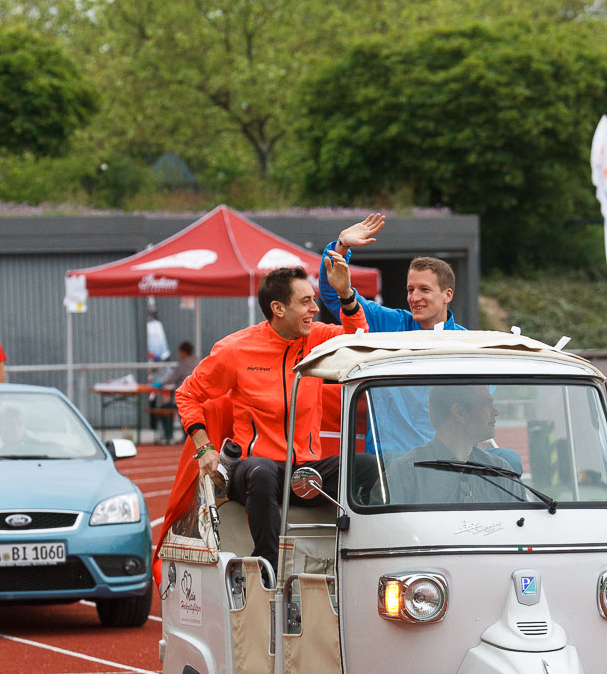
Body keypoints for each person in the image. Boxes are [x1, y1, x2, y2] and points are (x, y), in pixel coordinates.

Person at [176, 262, 377, 574]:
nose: (315, 308)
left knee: (369, 466)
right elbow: (187, 394)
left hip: (304, 471)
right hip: (253, 470)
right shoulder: (236, 349)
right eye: (306, 301)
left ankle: (365, 557)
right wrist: (204, 448)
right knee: (263, 470)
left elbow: (359, 338)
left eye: (314, 299)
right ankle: (267, 568)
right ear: (278, 308)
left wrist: (346, 294)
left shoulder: (315, 338)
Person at [319, 214, 466, 457]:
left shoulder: (468, 345)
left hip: (444, 463)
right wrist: (341, 246)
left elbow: (477, 408)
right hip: (386, 461)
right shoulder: (389, 323)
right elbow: (336, 294)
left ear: (447, 295)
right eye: (410, 289)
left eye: (424, 289)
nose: (414, 297)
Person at [378, 384, 524, 505]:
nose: (496, 412)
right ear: (459, 412)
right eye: (487, 404)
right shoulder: (403, 476)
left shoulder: (502, 472)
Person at [157, 341, 198, 444]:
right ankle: (189, 438)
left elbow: (172, 377)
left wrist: (159, 383)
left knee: (165, 408)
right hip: (197, 397)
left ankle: (168, 436)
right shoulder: (198, 361)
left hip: (184, 397)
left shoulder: (183, 363)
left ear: (183, 352)